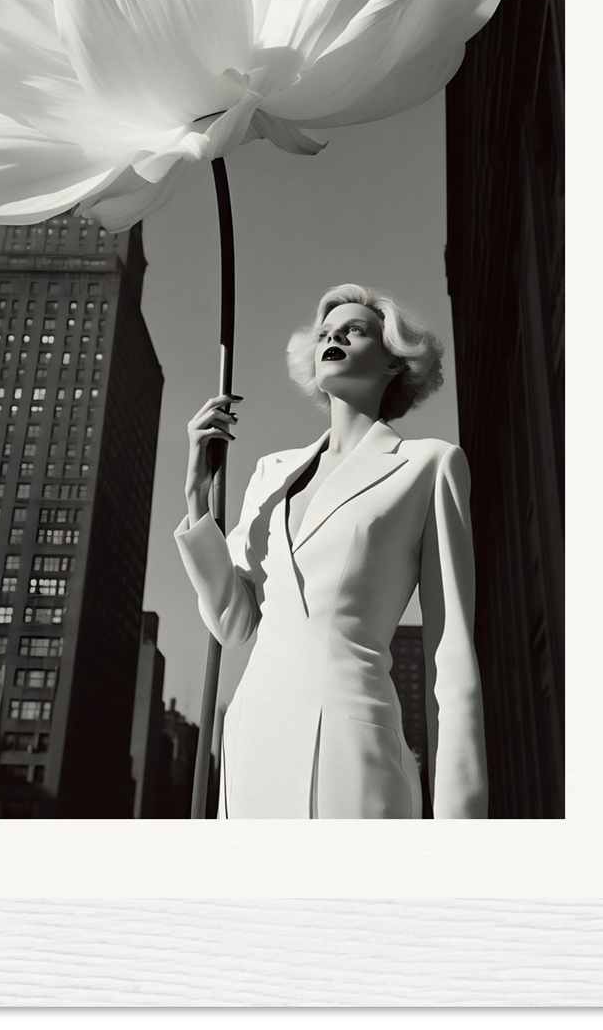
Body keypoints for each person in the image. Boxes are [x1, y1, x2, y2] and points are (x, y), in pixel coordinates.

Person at [175, 284, 487, 819]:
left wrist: (461, 826)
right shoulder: (271, 473)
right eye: (324, 333)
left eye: (354, 330)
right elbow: (234, 625)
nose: (333, 337)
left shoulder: (430, 465)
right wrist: (197, 500)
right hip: (251, 745)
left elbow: (451, 656)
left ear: (393, 361)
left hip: (353, 750)